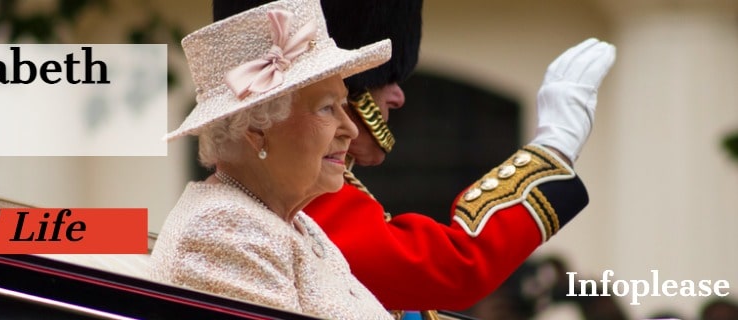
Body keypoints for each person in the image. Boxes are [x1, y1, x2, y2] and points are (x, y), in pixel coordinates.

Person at [213, 0, 618, 314]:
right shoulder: (302, 203)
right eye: (326, 105)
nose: (399, 95)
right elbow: (454, 266)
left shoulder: (306, 196)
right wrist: (552, 148)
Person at [150, 0, 396, 318]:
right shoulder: (227, 232)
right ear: (257, 129)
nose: (349, 129)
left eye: (344, 105)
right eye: (326, 108)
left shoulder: (293, 222)